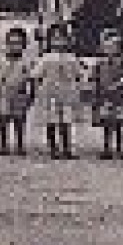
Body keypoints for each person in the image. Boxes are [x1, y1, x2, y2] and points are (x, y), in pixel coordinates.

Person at [32, 22, 90, 159]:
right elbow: (36, 75)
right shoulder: (45, 58)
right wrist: (36, 90)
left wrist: (81, 87)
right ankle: (53, 148)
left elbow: (80, 75)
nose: (58, 42)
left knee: (66, 121)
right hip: (50, 92)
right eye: (55, 39)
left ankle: (66, 147)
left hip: (67, 93)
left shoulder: (71, 58)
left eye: (61, 38)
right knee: (51, 120)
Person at [0, 27, 35, 156]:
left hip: (19, 94)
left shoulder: (26, 62)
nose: (15, 47)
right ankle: (3, 144)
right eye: (11, 43)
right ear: (6, 44)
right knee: (2, 120)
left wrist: (30, 95)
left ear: (24, 46)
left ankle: (20, 144)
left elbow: (31, 79)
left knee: (19, 120)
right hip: (2, 93)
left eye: (18, 44)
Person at [92, 31, 123, 159]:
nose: (110, 50)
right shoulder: (100, 63)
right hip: (105, 96)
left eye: (113, 47)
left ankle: (120, 148)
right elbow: (95, 78)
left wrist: (120, 85)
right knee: (106, 124)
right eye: (107, 47)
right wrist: (96, 90)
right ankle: (107, 148)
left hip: (119, 96)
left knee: (119, 124)